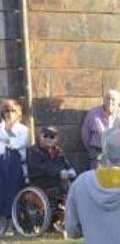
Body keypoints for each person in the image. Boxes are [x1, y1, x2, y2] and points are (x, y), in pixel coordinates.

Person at [80, 89, 120, 170]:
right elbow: (85, 133)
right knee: (96, 176)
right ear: (103, 100)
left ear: (118, 102)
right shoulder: (93, 112)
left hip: (116, 151)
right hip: (98, 151)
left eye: (113, 99)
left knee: (114, 177)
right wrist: (91, 149)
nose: (110, 101)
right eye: (107, 98)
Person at [0, 99, 29, 235]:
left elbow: (17, 144)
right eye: (7, 110)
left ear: (18, 113)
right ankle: (3, 224)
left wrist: (6, 136)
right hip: (1, 164)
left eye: (13, 111)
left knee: (13, 193)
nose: (9, 114)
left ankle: (12, 224)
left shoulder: (23, 129)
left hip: (15, 165)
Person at [26, 126, 76, 201]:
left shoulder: (58, 151)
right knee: (65, 185)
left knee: (76, 183)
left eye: (52, 137)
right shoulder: (33, 151)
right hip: (40, 181)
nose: (48, 139)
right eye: (45, 136)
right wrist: (59, 172)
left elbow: (66, 164)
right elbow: (41, 168)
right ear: (40, 136)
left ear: (56, 139)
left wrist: (71, 171)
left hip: (57, 180)